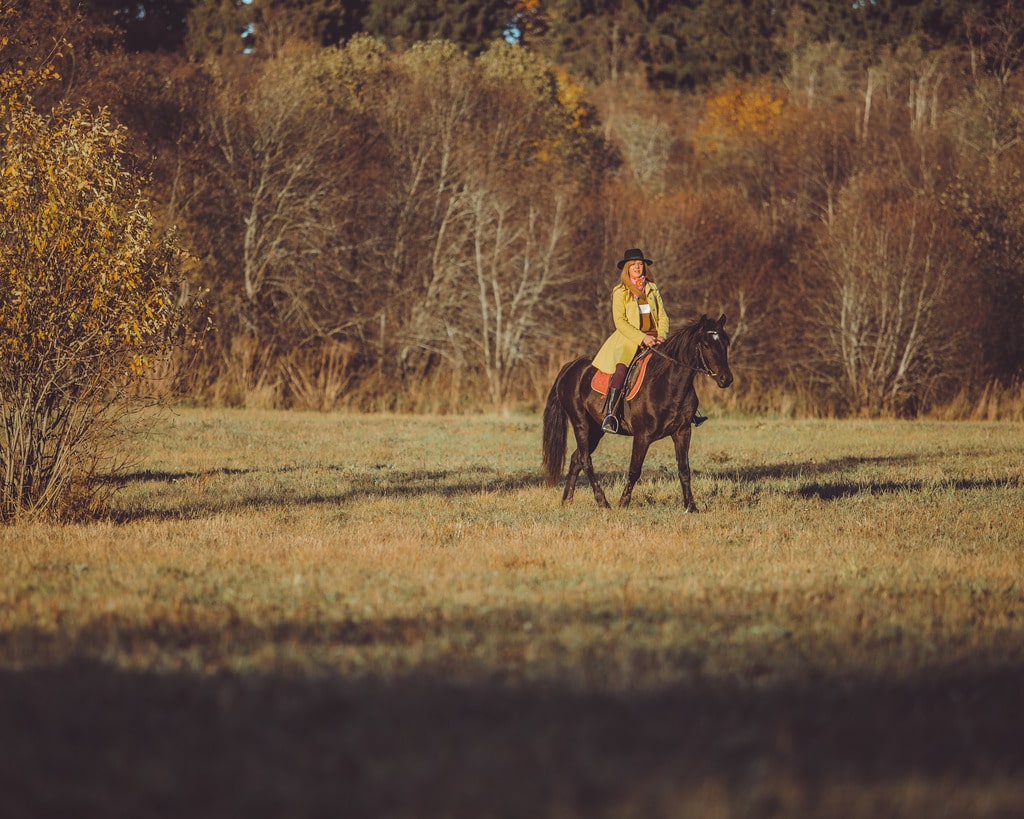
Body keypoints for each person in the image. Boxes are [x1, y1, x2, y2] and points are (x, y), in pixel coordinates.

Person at [592, 248, 706, 433]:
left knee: (679, 366)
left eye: (640, 264)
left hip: (656, 339)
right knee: (621, 370)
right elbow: (620, 322)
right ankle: (610, 415)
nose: (637, 267)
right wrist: (642, 337)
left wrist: (661, 335)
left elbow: (663, 316)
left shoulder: (652, 288)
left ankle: (690, 412)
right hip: (629, 339)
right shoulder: (620, 292)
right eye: (633, 265)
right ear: (627, 269)